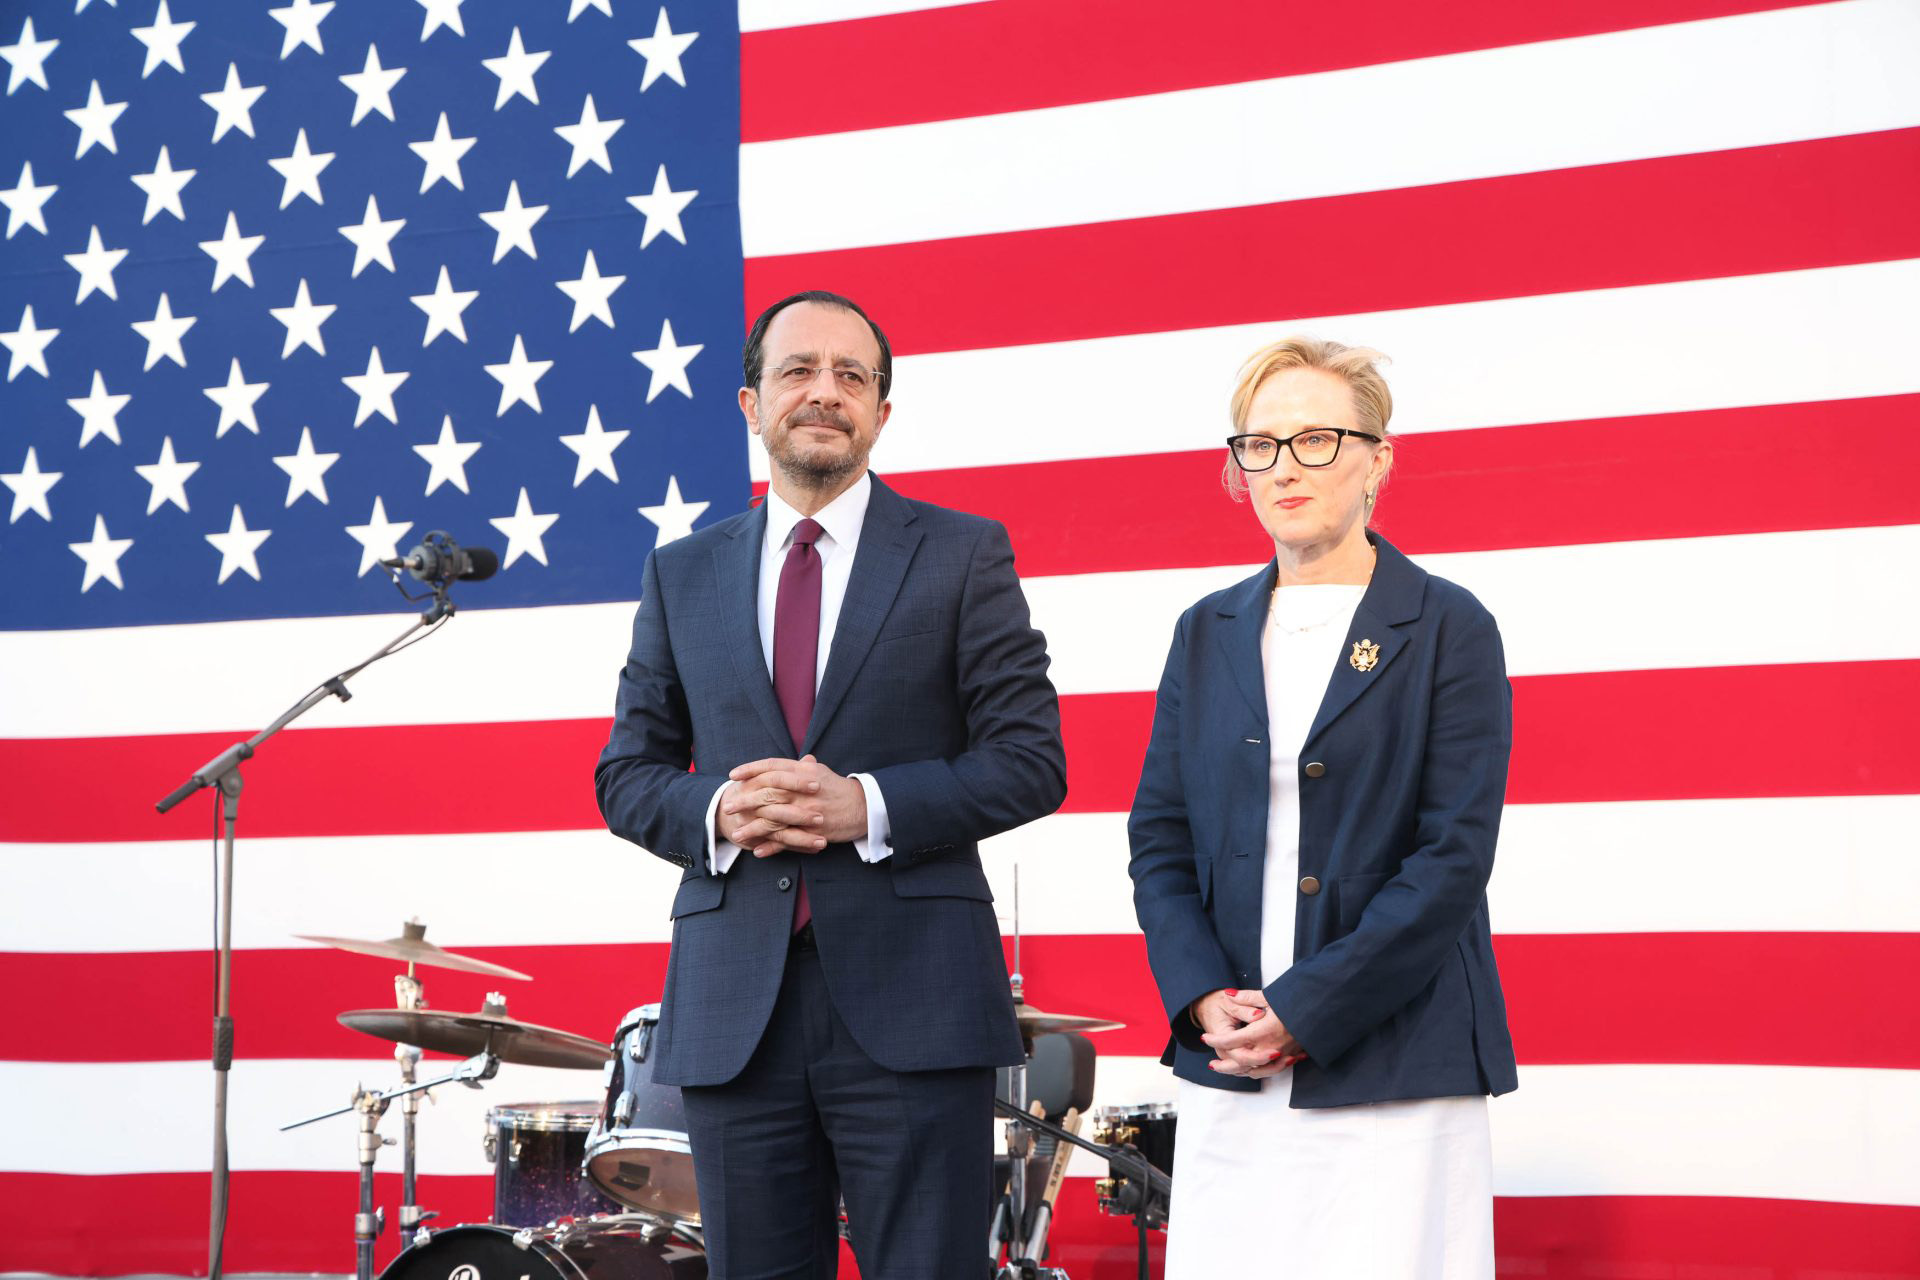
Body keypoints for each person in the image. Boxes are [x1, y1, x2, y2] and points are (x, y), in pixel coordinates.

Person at [595, 290, 1067, 1278]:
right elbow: (628, 774)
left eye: (852, 375)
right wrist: (719, 808)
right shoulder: (682, 572)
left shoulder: (964, 553)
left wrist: (869, 805)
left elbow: (1031, 760)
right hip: (734, 1011)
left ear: (881, 412)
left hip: (920, 1001)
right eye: (799, 370)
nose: (825, 391)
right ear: (750, 403)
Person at [1127, 337, 1518, 1278]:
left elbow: (1452, 857)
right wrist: (1201, 995)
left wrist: (1308, 1007)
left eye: (1314, 440)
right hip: (1232, 1063)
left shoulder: (1450, 625)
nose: (1283, 468)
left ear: (1378, 459)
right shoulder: (1204, 631)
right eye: (1260, 445)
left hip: (1396, 1066)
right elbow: (1160, 838)